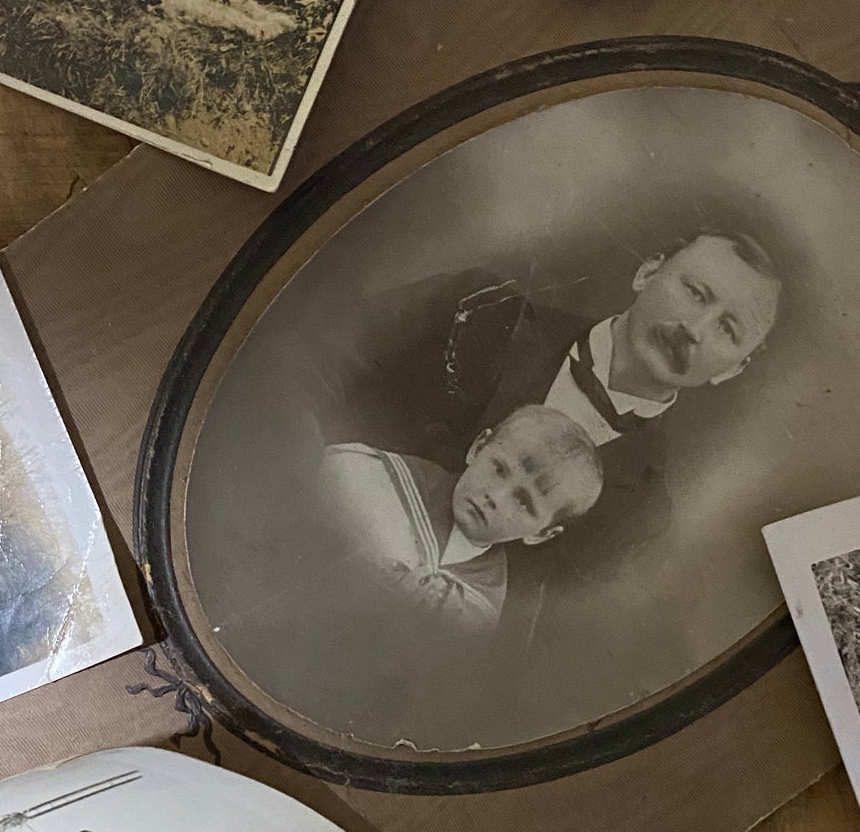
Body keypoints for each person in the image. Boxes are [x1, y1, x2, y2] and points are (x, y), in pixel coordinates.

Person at [323, 230, 783, 577]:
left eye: (728, 329)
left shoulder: (641, 518)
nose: (695, 328)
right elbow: (307, 356)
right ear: (647, 271)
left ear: (732, 369)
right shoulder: (480, 308)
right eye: (696, 293)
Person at [317, 403, 604, 636]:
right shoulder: (367, 476)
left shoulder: (481, 609)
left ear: (542, 534)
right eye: (499, 469)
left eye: (525, 503)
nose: (496, 496)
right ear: (478, 448)